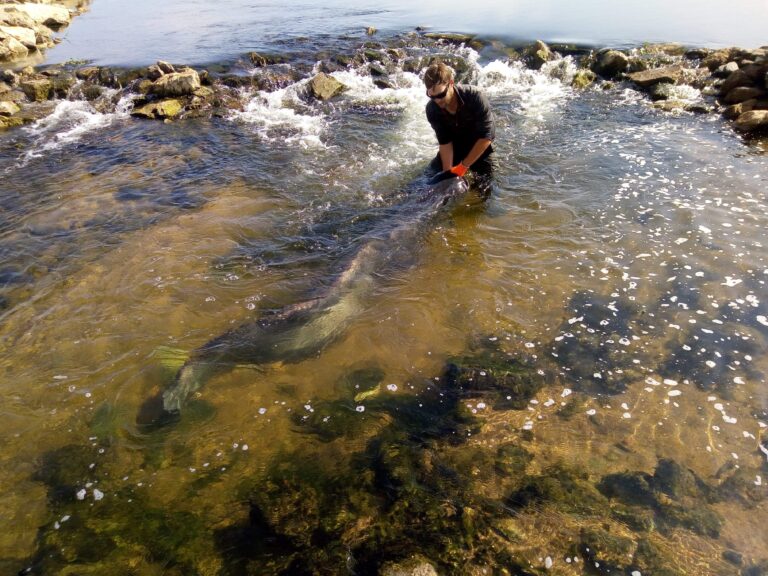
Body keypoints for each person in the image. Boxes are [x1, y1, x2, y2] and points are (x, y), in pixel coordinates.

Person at [423, 61, 496, 196]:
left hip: (479, 150)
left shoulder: (475, 97)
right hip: (454, 150)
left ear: (451, 83)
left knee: (483, 193)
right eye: (431, 96)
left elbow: (486, 137)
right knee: (426, 185)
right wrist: (448, 175)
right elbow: (445, 143)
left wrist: (464, 166)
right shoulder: (432, 109)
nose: (437, 101)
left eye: (440, 95)